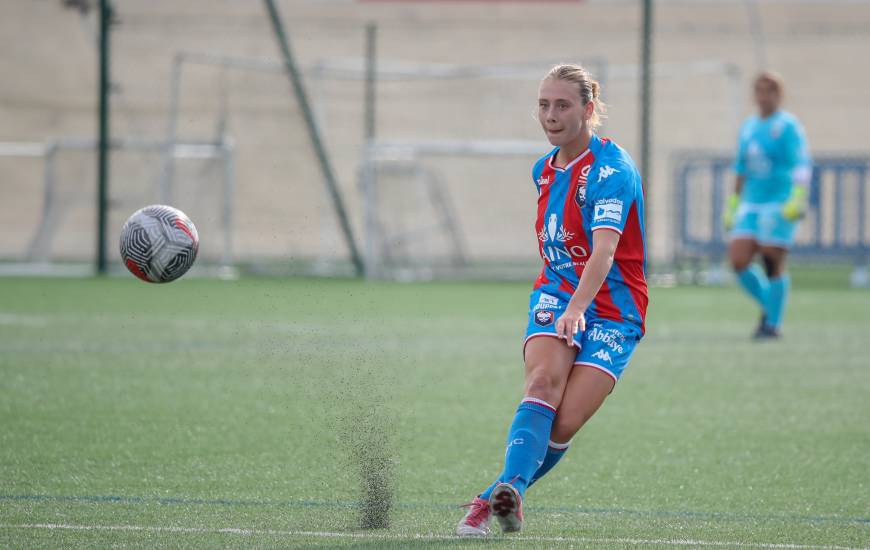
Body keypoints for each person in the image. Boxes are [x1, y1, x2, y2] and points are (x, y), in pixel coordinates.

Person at [456, 64, 648, 536]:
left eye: (562, 105)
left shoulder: (613, 169)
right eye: (544, 105)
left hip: (614, 308)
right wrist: (565, 302)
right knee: (542, 384)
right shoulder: (542, 169)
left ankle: (498, 493)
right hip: (557, 292)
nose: (550, 115)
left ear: (588, 109)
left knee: (563, 424)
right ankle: (501, 501)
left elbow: (603, 251)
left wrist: (579, 309)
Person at [723, 72, 812, 339]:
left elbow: (801, 163)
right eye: (759, 91)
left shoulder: (788, 126)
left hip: (779, 202)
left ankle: (771, 325)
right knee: (738, 260)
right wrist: (733, 203)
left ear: (778, 95)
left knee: (772, 258)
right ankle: (771, 307)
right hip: (751, 202)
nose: (763, 97)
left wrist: (797, 198)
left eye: (769, 91)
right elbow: (741, 167)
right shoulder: (749, 126)